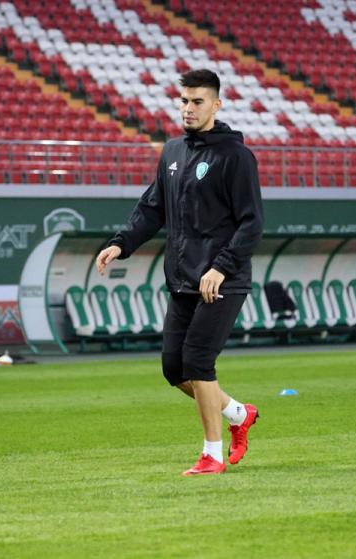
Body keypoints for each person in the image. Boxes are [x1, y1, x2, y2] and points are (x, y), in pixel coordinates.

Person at [95, 69, 264, 476]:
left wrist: (221, 267)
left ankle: (212, 455)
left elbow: (252, 223)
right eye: (184, 101)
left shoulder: (236, 157)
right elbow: (152, 208)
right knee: (174, 369)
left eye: (197, 101)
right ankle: (238, 414)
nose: (188, 108)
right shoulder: (172, 151)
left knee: (199, 362)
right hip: (184, 278)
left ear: (216, 105)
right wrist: (121, 243)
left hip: (222, 281)